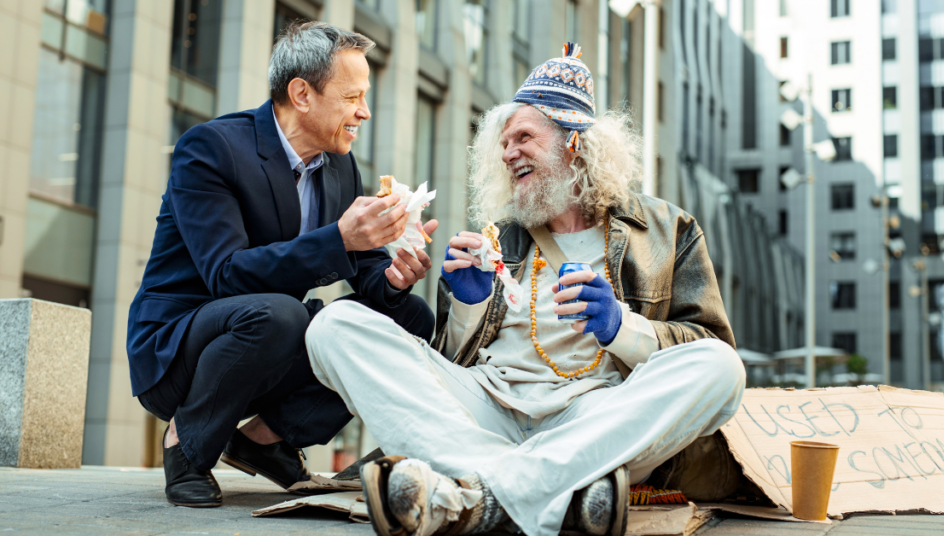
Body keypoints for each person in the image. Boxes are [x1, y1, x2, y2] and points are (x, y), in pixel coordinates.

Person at [305, 43, 744, 536]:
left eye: (523, 138)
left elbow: (709, 342)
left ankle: (471, 495)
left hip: (593, 414)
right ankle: (551, 489)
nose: (508, 153)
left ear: (573, 142)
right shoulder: (499, 238)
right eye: (504, 143)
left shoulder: (667, 229)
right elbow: (446, 370)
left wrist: (621, 327)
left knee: (721, 368)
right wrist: (468, 304)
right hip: (486, 407)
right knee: (334, 324)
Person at [126, 22, 436, 508]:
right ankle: (186, 444)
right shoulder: (211, 148)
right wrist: (340, 238)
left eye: (366, 97)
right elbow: (226, 274)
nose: (365, 111)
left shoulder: (339, 164)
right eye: (352, 97)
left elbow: (366, 269)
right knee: (280, 314)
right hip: (179, 347)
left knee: (410, 318)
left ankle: (265, 439)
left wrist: (394, 278)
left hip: (269, 343)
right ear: (302, 94)